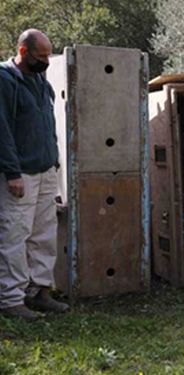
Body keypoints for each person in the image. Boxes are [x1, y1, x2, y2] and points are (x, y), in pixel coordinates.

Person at [0, 29, 69, 321]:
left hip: (45, 169)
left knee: (44, 233)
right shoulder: (5, 80)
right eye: (41, 57)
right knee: (15, 234)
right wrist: (12, 171)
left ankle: (39, 291)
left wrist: (54, 163)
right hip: (20, 174)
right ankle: (10, 299)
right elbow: (1, 130)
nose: (47, 62)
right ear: (23, 52)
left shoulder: (41, 80)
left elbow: (46, 124)